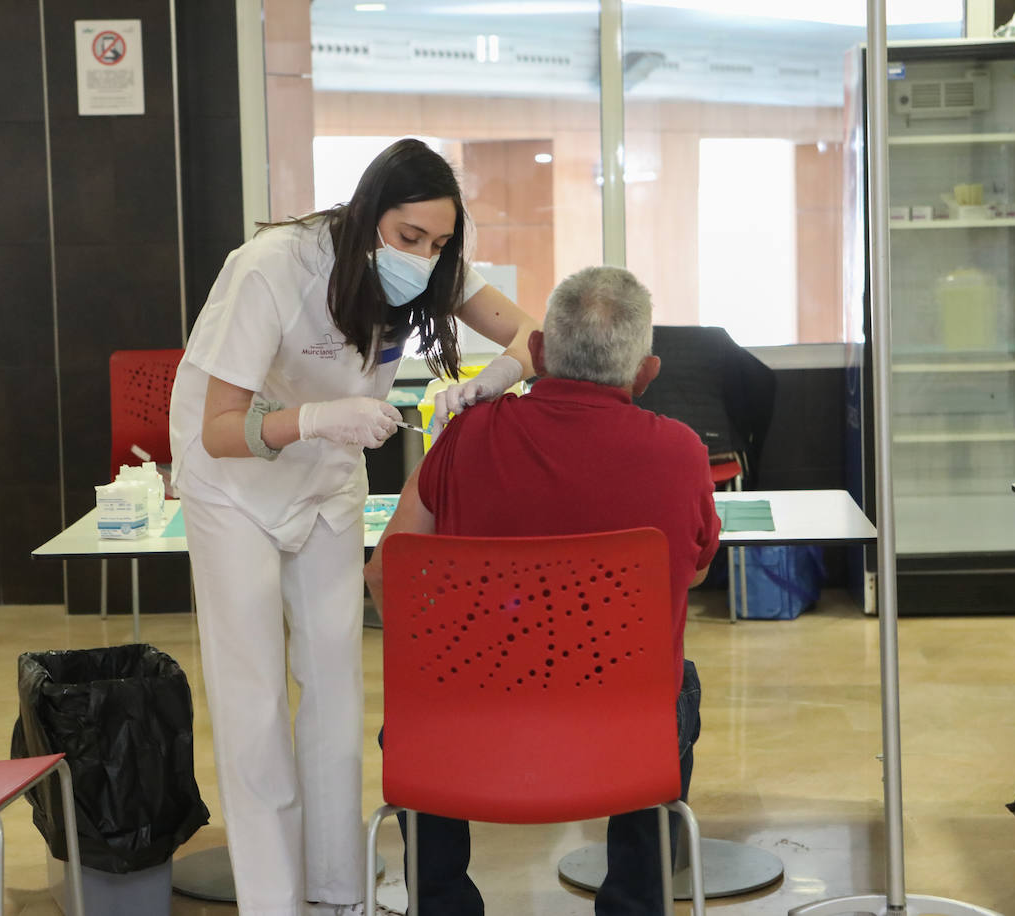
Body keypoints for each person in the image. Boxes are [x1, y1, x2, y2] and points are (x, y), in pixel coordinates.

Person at [168, 138, 539, 916]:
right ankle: (274, 898)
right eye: (409, 239)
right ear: (370, 214)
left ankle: (340, 892)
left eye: (438, 245)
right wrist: (315, 416)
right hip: (233, 479)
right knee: (255, 695)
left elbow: (532, 337)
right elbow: (221, 429)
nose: (423, 258)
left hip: (327, 473)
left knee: (336, 680)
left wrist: (493, 379)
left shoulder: (433, 268)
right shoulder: (273, 266)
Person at [364, 265, 720, 915]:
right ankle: (635, 905)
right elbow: (693, 571)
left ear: (535, 353)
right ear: (646, 374)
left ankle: (442, 904)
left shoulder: (468, 437)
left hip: (466, 738)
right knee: (676, 686)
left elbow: (388, 575)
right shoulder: (682, 453)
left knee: (421, 707)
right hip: (624, 745)